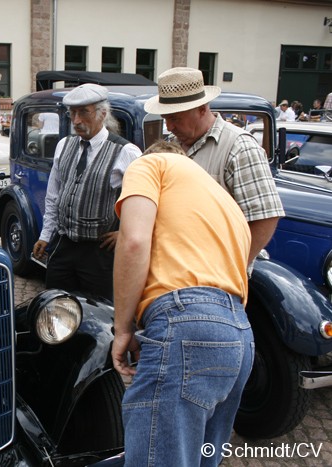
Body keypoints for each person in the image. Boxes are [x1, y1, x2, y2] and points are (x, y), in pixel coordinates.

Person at [111, 140, 254, 467]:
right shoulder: (225, 201)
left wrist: (123, 328)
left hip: (186, 323)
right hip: (241, 334)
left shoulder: (150, 165)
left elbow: (133, 241)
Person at [145, 67, 284, 270]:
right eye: (166, 118)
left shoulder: (239, 146)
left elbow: (265, 217)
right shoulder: (172, 143)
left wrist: (230, 269)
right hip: (172, 270)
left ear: (202, 108)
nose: (170, 126)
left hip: (214, 280)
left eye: (175, 118)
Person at [31, 83, 141, 300]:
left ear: (103, 114)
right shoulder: (64, 145)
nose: (76, 121)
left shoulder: (125, 152)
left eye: (83, 113)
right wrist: (46, 235)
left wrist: (126, 233)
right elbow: (53, 195)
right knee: (55, 305)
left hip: (99, 253)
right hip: (64, 245)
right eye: (72, 113)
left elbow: (145, 200)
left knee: (97, 314)